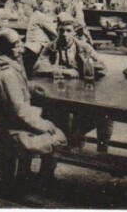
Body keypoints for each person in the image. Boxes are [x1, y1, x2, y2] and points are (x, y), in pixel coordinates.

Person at [0, 29, 66, 182]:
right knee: (58, 133)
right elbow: (20, 112)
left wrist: (31, 87)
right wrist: (43, 125)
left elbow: (12, 88)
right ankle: (43, 178)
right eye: (16, 44)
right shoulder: (7, 71)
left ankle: (26, 173)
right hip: (7, 127)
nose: (21, 46)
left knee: (42, 118)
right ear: (6, 48)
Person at [35, 13, 113, 152]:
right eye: (61, 31)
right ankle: (69, 139)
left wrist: (86, 66)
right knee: (60, 113)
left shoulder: (84, 47)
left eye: (68, 31)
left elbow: (102, 67)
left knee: (105, 113)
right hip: (59, 90)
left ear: (75, 33)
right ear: (57, 31)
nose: (64, 34)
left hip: (81, 89)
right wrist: (62, 71)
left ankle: (102, 149)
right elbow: (39, 66)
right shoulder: (51, 46)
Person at [23, 0, 58, 77]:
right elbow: (55, 33)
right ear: (39, 6)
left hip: (31, 47)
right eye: (46, 6)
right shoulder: (40, 16)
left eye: (50, 6)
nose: (49, 9)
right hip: (34, 50)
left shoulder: (35, 14)